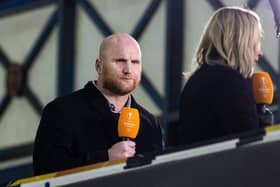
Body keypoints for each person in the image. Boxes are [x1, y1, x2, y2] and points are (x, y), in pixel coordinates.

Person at [33, 33, 163, 175]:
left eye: (135, 62)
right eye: (120, 61)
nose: (128, 70)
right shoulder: (61, 111)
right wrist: (105, 158)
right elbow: (45, 170)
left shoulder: (150, 124)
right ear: (99, 66)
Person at [178, 7, 263, 146]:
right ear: (241, 42)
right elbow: (252, 144)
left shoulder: (195, 81)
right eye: (256, 41)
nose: (260, 52)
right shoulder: (229, 82)